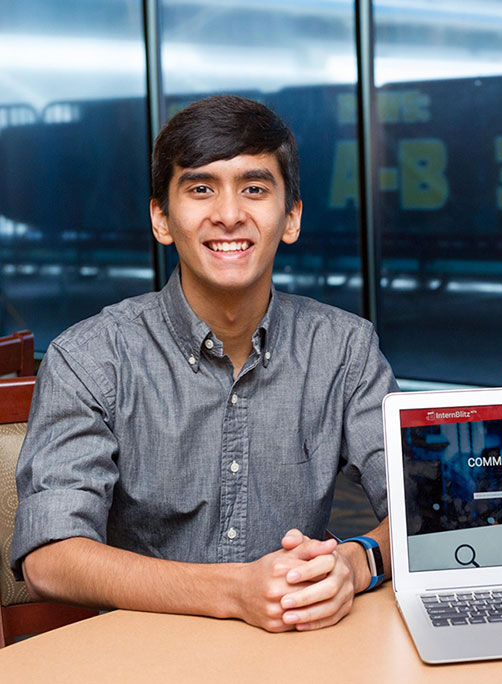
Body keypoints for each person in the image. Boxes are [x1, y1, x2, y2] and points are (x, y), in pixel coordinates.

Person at [12, 95, 396, 630]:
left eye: (255, 189)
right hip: (143, 655)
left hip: (300, 648)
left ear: (291, 217)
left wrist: (356, 562)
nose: (230, 214)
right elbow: (50, 556)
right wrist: (234, 592)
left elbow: (423, 510)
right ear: (161, 219)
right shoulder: (91, 357)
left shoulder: (344, 349)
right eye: (200, 189)